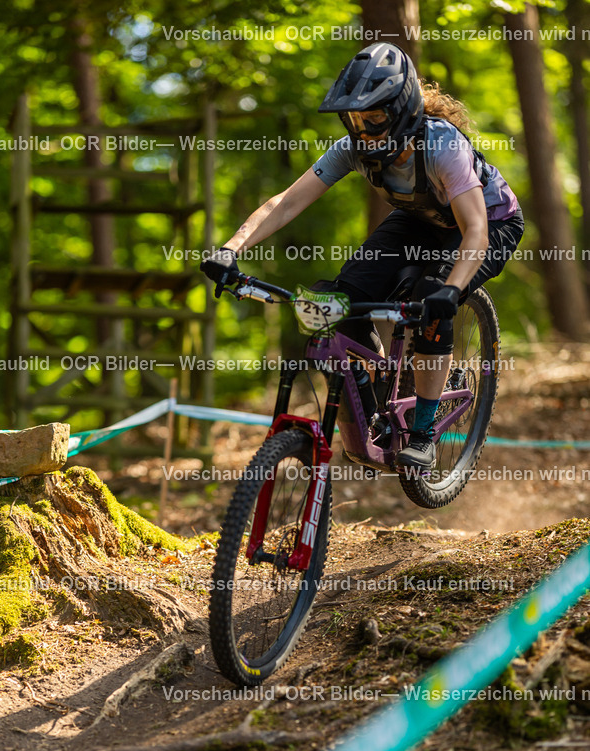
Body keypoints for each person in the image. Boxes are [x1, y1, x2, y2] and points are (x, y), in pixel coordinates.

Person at [201, 42, 524, 470]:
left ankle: (424, 433)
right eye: (354, 121)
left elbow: (476, 230)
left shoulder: (443, 146)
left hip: (490, 222)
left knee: (432, 301)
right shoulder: (351, 148)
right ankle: (378, 413)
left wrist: (448, 291)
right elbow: (286, 203)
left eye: (373, 119)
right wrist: (230, 249)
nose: (363, 131)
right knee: (338, 303)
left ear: (403, 110)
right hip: (419, 219)